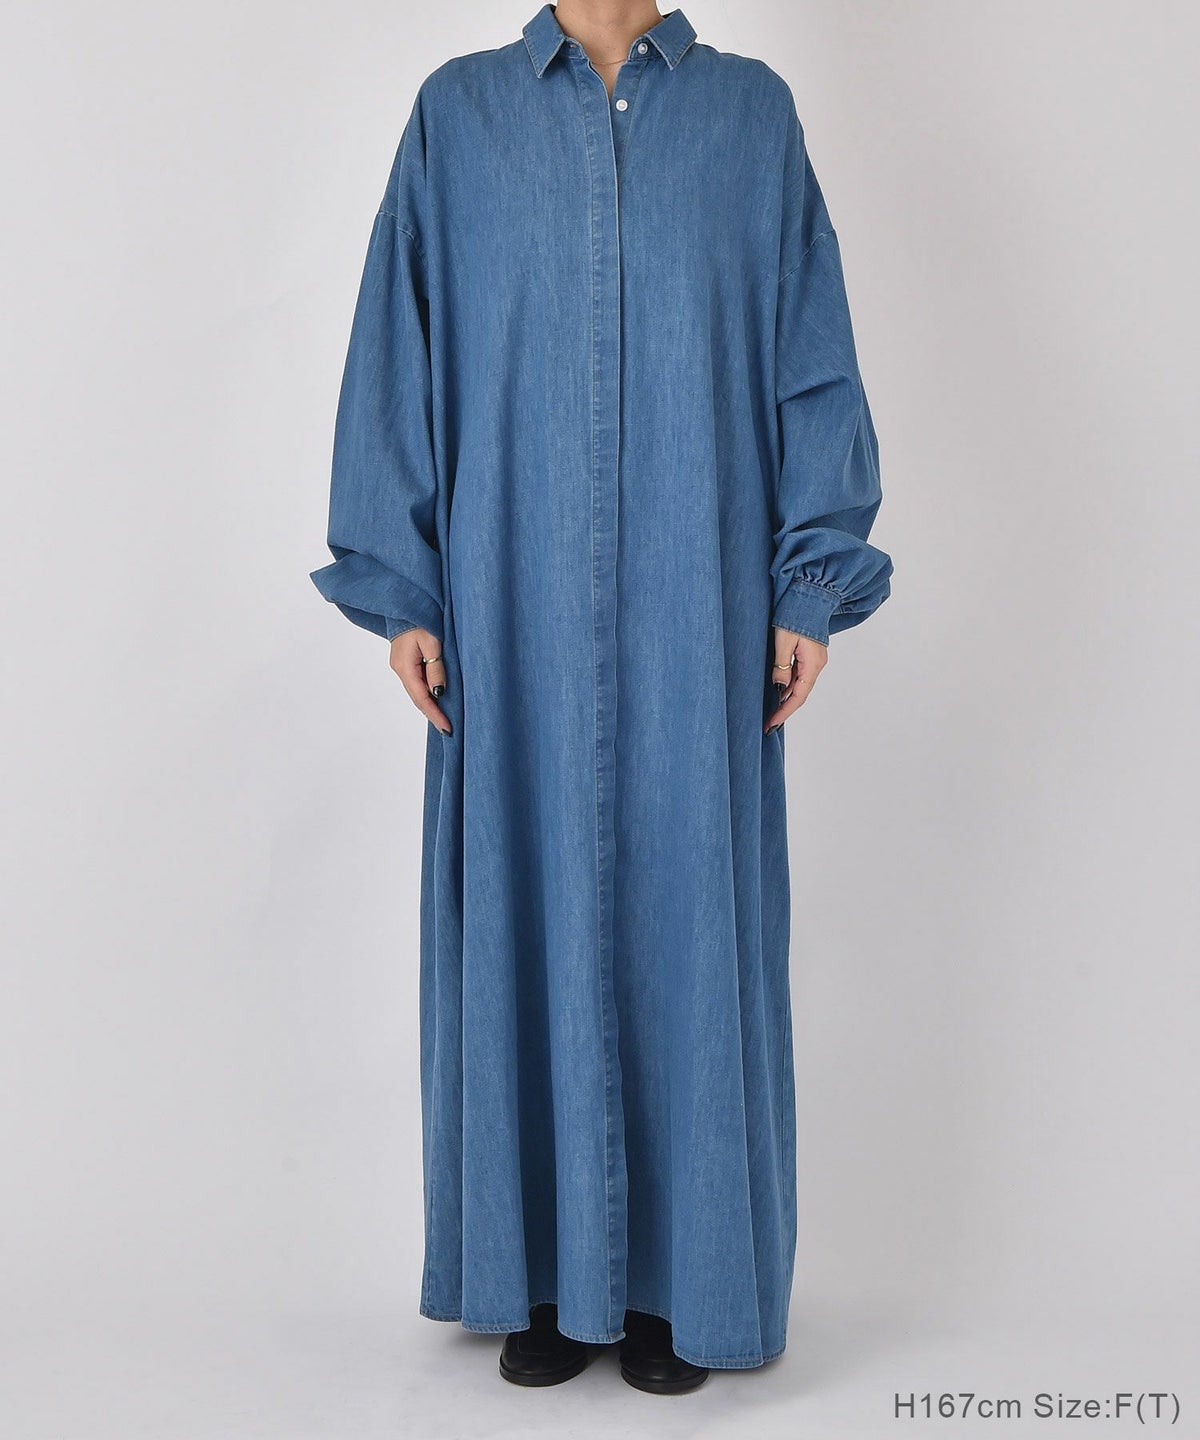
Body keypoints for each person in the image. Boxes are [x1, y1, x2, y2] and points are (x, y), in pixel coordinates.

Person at [310, 0, 893, 1395]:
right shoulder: (459, 117)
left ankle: (681, 1288)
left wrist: (809, 581)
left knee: (694, 922)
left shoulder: (750, 118)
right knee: (521, 912)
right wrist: (404, 586)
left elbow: (810, 353)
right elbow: (399, 351)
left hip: (703, 605)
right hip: (510, 602)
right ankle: (537, 1279)